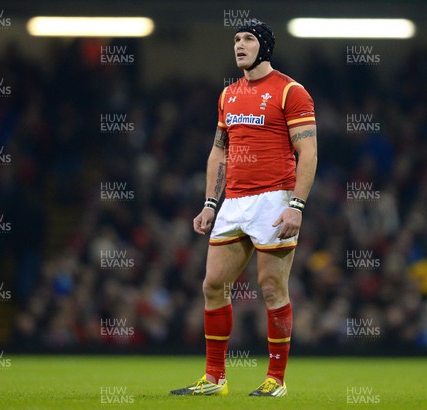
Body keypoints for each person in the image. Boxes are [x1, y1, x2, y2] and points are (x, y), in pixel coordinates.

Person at [170, 19, 317, 397]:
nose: (239, 45)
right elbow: (220, 151)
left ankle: (276, 380)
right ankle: (215, 379)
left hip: (275, 198)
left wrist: (297, 205)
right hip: (233, 201)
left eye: (248, 39)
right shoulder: (228, 95)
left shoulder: (290, 91)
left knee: (271, 288)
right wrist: (209, 204)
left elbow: (308, 151)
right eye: (236, 39)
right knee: (213, 285)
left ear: (264, 47)